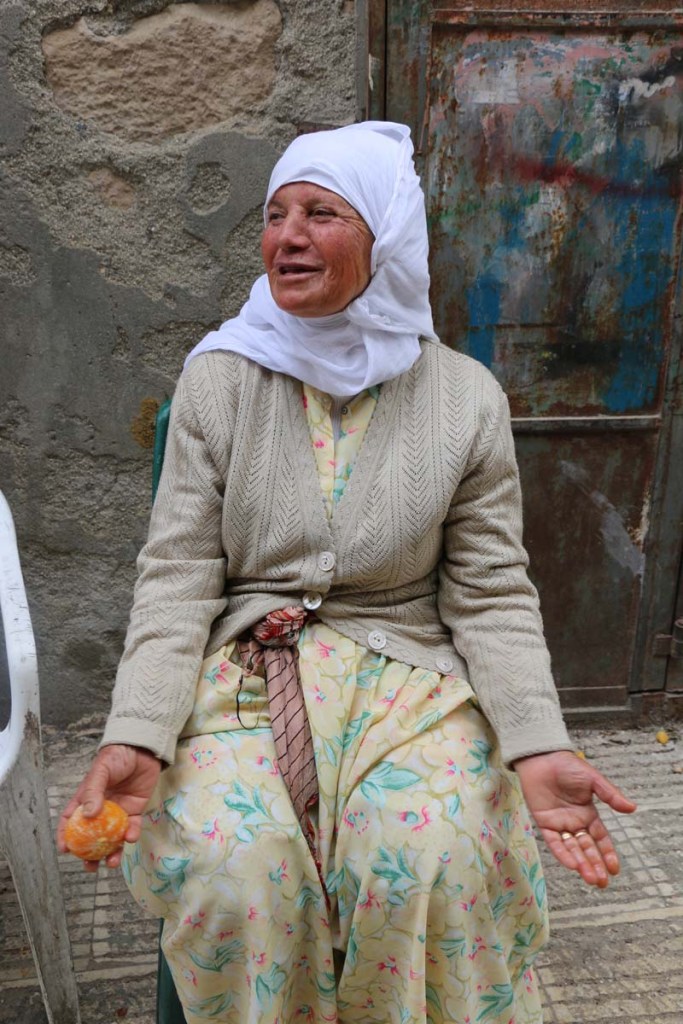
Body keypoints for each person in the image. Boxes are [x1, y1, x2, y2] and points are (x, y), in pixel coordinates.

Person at [59, 121, 636, 1024]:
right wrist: (136, 732)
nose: (287, 235)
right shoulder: (219, 382)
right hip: (245, 677)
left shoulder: (464, 399)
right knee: (238, 868)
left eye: (321, 213)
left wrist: (537, 743)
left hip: (407, 679)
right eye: (275, 213)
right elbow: (175, 577)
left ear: (385, 238)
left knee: (429, 859)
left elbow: (490, 593)